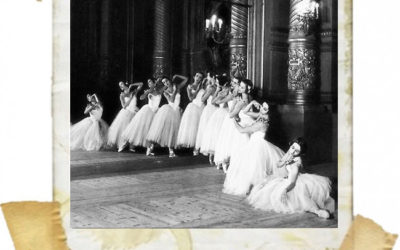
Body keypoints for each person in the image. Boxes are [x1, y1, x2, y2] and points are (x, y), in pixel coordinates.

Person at [247, 138, 335, 219]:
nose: (293, 151)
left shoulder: (296, 162)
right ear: (290, 145)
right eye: (292, 147)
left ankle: (318, 211)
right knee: (266, 187)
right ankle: (318, 211)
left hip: (294, 182)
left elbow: (292, 182)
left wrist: (285, 190)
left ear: (300, 153)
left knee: (301, 198)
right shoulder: (290, 154)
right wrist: (286, 157)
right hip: (289, 178)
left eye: (296, 151)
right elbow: (279, 165)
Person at [223, 102, 285, 196]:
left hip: (258, 145)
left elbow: (242, 130)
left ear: (268, 111)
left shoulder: (261, 123)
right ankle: (254, 188)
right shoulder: (262, 116)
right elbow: (245, 112)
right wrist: (252, 103)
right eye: (261, 106)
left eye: (265, 108)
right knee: (253, 167)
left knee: (253, 167)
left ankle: (255, 189)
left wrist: (233, 120)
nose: (261, 108)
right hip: (256, 143)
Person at [146, 74, 188, 157]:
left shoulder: (177, 86)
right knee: (162, 130)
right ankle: (150, 147)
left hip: (176, 110)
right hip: (169, 111)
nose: (166, 83)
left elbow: (186, 79)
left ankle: (171, 151)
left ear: (170, 80)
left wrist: (176, 76)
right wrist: (175, 91)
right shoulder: (165, 91)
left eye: (166, 81)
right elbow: (171, 100)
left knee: (172, 132)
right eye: (164, 82)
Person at [120, 78, 164, 154]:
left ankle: (149, 149)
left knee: (153, 131)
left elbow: (165, 87)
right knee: (140, 129)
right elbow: (141, 97)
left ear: (154, 83)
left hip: (156, 112)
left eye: (150, 82)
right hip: (148, 111)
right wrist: (147, 93)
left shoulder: (159, 91)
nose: (149, 83)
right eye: (148, 82)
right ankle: (125, 142)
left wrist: (159, 81)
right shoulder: (149, 90)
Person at [200, 74, 230, 165]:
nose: (216, 83)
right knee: (216, 134)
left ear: (224, 83)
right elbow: (213, 102)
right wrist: (217, 91)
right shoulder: (220, 90)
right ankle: (216, 156)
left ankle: (224, 157)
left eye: (217, 82)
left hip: (227, 113)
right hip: (220, 113)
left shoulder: (229, 91)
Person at [107, 81, 143, 149]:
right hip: (127, 111)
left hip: (135, 111)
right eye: (120, 85)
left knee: (134, 129)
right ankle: (123, 144)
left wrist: (132, 84)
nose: (121, 85)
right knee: (125, 129)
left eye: (122, 83)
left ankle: (132, 146)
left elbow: (141, 84)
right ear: (121, 87)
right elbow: (124, 106)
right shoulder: (122, 94)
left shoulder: (134, 91)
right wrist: (130, 98)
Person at [176, 72, 205, 154]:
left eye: (200, 77)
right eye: (197, 76)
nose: (198, 78)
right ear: (194, 77)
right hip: (193, 108)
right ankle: (194, 149)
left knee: (200, 127)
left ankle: (198, 147)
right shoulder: (190, 86)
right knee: (193, 128)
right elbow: (191, 98)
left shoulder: (204, 87)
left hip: (201, 107)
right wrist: (198, 89)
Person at [194, 72, 218, 154]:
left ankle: (206, 147)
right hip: (215, 109)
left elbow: (202, 99)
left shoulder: (210, 88)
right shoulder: (217, 88)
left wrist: (205, 91)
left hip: (210, 109)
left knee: (205, 128)